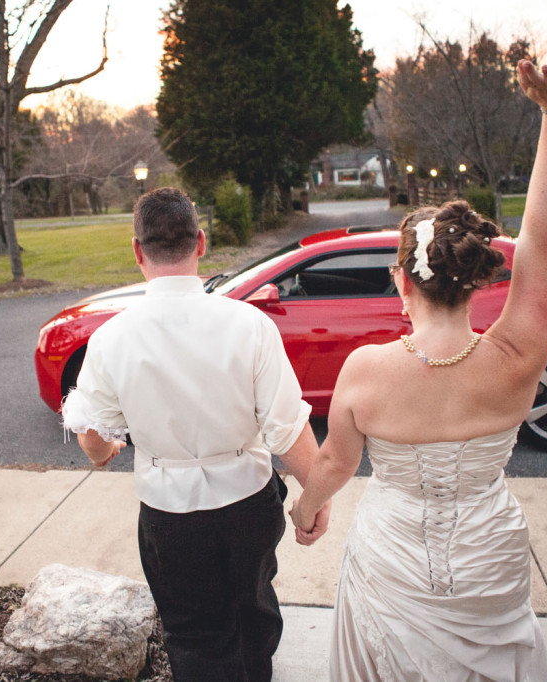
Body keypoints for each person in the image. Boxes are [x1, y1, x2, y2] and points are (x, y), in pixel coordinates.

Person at [289, 60, 547, 681]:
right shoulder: (517, 355)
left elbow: (337, 462)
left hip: (392, 554)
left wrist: (307, 507)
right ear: (474, 278)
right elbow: (542, 229)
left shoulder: (365, 369)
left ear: (401, 279)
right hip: (489, 551)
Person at [60, 187, 330, 682]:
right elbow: (287, 427)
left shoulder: (110, 338)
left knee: (191, 632)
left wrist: (105, 453)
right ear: (200, 243)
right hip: (249, 501)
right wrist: (315, 500)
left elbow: (91, 434)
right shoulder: (250, 324)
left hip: (168, 512)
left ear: (137, 250)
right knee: (254, 613)